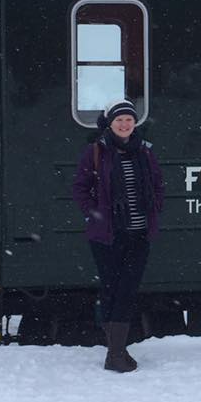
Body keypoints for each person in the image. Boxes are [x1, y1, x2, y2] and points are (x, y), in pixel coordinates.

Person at [72, 99, 164, 372]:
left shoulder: (145, 152)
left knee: (126, 289)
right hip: (107, 236)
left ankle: (116, 351)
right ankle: (116, 352)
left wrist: (154, 208)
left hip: (139, 234)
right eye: (119, 120)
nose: (125, 124)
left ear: (134, 124)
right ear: (110, 124)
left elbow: (157, 185)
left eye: (129, 120)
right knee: (113, 290)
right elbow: (80, 188)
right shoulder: (96, 152)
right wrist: (95, 214)